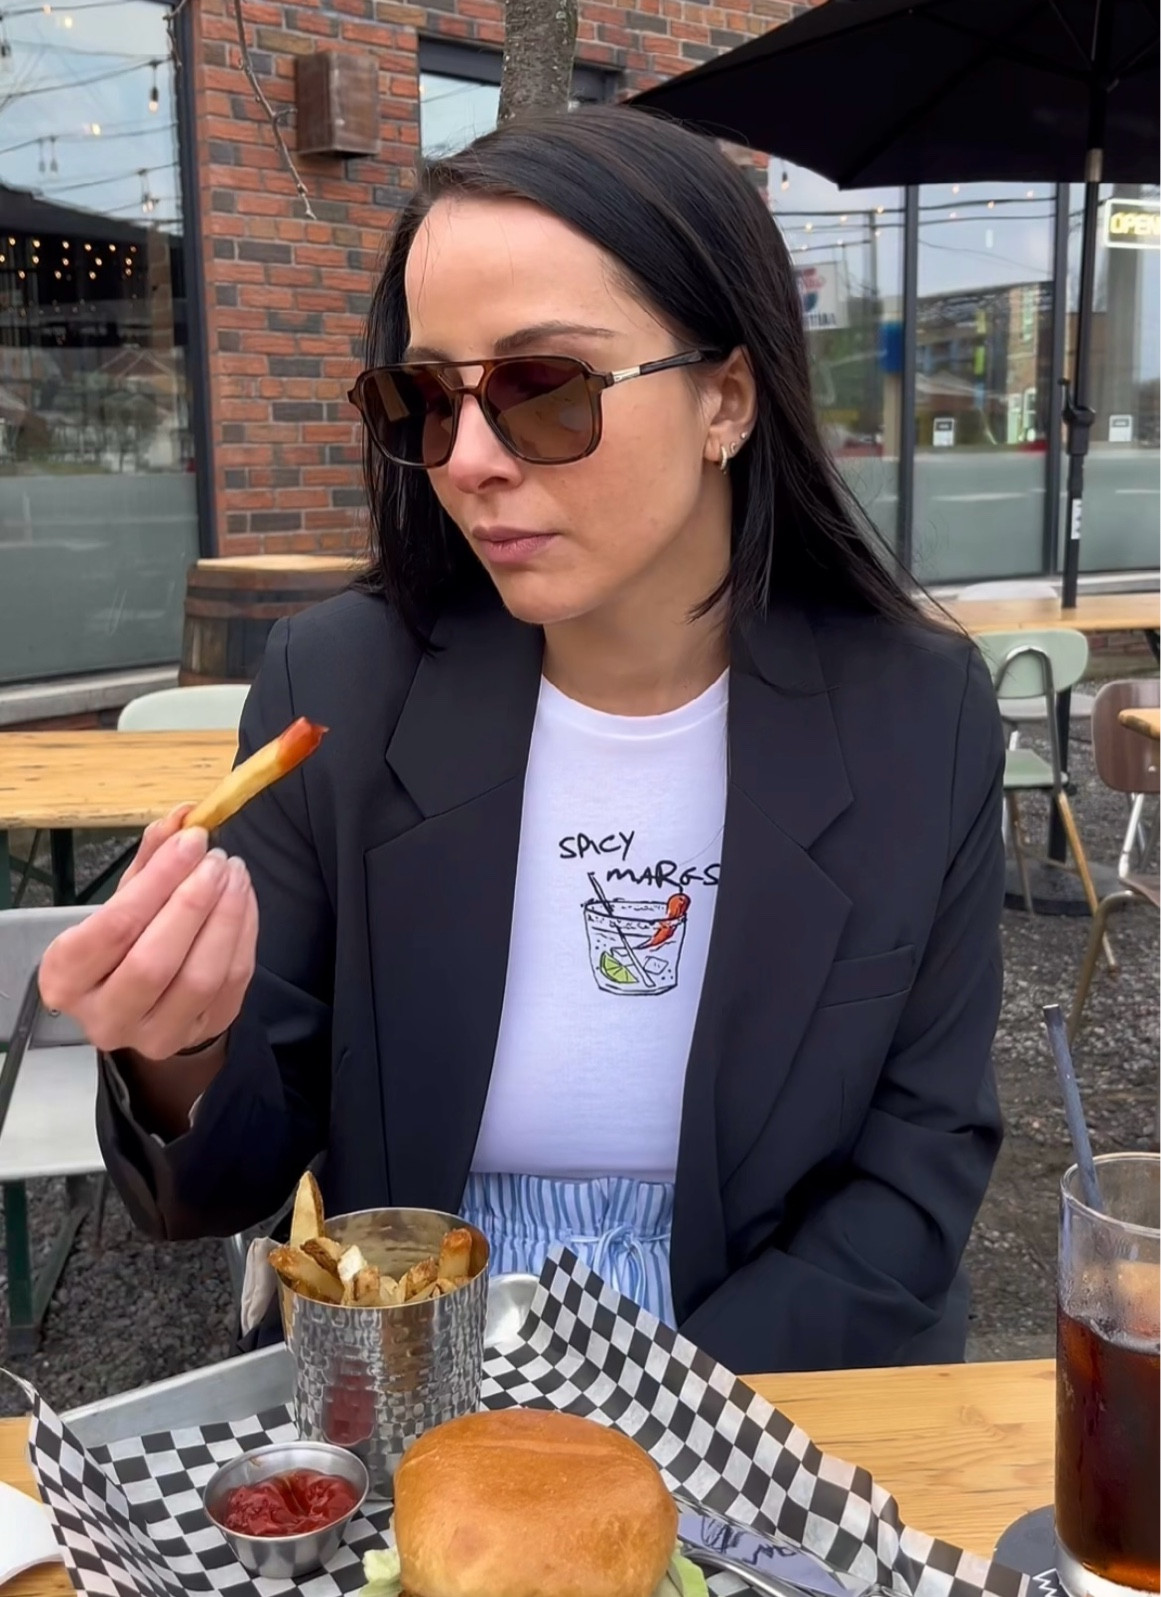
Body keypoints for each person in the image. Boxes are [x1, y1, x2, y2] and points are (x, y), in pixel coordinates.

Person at [40, 105, 1005, 1373]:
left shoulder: (913, 716)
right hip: (416, 1346)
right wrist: (177, 1046)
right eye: (427, 397)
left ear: (726, 397)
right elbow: (220, 1183)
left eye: (546, 388)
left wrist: (659, 1418)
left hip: (774, 1365)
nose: (474, 460)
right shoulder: (343, 685)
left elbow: (916, 1172)